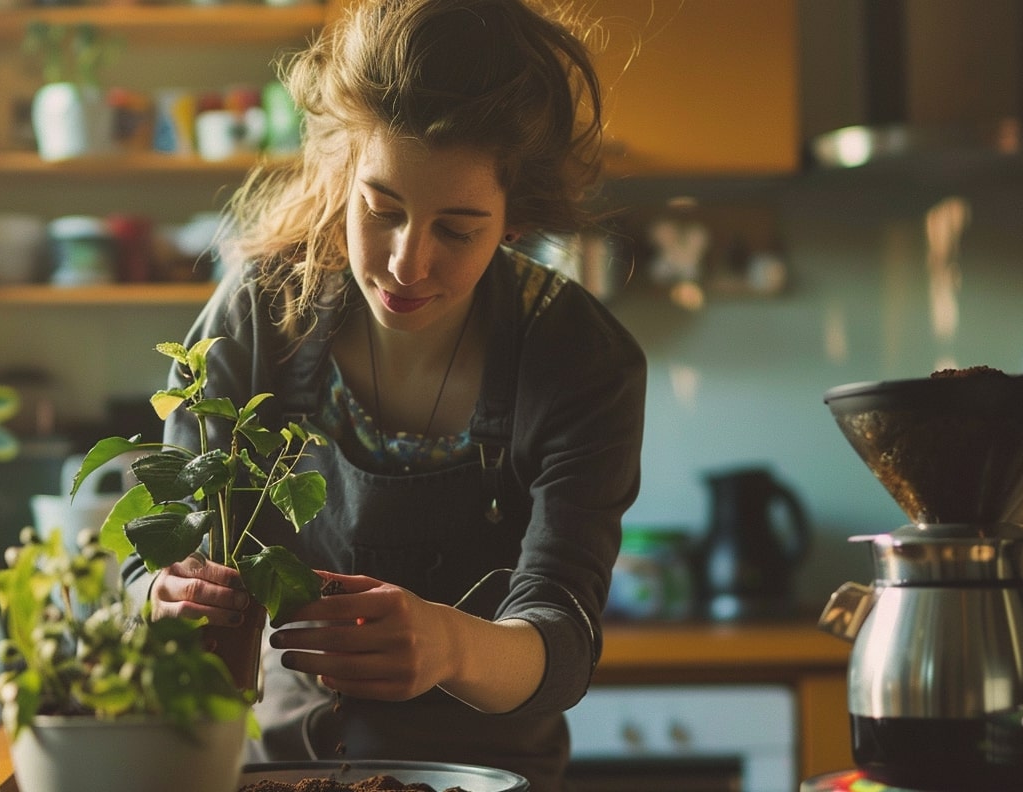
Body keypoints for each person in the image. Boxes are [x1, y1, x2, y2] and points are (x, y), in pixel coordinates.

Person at [125, 0, 645, 787]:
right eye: (383, 209)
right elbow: (150, 565)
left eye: (457, 229)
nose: (408, 262)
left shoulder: (580, 358)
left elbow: (564, 637)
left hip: (487, 776)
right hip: (280, 770)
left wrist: (449, 645)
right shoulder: (261, 319)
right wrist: (162, 598)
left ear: (514, 220)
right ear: (342, 173)